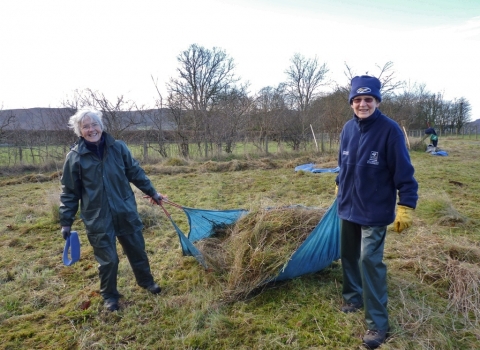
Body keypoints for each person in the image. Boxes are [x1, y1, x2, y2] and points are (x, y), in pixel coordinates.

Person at [335, 76, 418, 349]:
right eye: (357, 100)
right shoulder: (347, 129)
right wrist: (338, 187)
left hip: (374, 209)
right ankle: (353, 296)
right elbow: (343, 165)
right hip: (347, 206)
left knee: (369, 262)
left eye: (368, 99)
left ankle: (377, 324)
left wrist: (405, 205)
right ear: (351, 103)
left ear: (377, 101)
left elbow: (404, 173)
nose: (362, 104)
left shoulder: (390, 130)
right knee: (348, 255)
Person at [59, 108, 165, 312]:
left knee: (137, 250)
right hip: (97, 217)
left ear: (102, 126)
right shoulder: (74, 158)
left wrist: (153, 193)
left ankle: (146, 281)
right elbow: (70, 192)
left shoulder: (118, 148)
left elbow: (135, 173)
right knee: (108, 260)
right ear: (80, 131)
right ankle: (110, 296)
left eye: (94, 124)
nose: (91, 129)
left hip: (125, 210)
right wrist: (66, 221)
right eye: (86, 126)